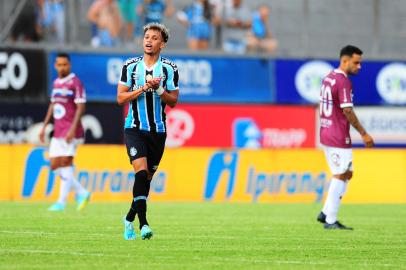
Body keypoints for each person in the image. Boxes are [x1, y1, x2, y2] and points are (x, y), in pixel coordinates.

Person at [117, 22, 179, 240]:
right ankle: (143, 224)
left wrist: (159, 88)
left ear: (162, 44)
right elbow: (120, 97)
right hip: (134, 128)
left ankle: (128, 219)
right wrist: (143, 88)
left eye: (154, 38)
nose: (149, 41)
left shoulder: (169, 69)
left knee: (146, 180)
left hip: (158, 132)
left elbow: (173, 101)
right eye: (146, 37)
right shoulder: (131, 66)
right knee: (141, 173)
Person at [317, 45, 374, 230]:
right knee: (341, 174)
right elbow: (347, 110)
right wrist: (364, 133)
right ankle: (330, 220)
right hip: (338, 135)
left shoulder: (329, 77)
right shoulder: (343, 82)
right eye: (356, 63)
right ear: (345, 61)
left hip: (326, 131)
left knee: (347, 173)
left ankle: (325, 212)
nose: (359, 67)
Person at [39, 53, 91, 212]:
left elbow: (81, 107)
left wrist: (72, 129)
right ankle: (82, 192)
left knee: (66, 162)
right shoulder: (55, 83)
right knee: (54, 165)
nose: (62, 67)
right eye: (59, 65)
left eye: (65, 64)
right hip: (58, 131)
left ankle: (61, 202)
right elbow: (53, 105)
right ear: (55, 66)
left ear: (69, 65)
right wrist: (44, 126)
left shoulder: (75, 83)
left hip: (72, 132)